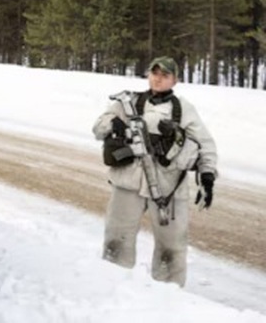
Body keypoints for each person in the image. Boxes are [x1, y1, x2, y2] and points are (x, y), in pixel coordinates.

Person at [91, 56, 218, 287]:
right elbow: (98, 128)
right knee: (116, 240)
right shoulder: (127, 102)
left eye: (165, 75)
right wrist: (114, 124)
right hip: (128, 184)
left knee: (172, 248)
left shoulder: (184, 109)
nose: (158, 79)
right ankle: (110, 289)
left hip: (168, 189)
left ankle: (168, 298)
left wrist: (207, 177)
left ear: (175, 80)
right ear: (148, 75)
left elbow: (205, 145)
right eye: (155, 73)